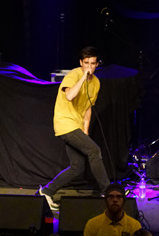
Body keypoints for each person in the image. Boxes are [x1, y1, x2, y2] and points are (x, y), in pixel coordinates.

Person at [37, 46, 112, 211]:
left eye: (92, 64)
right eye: (86, 63)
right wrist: (83, 77)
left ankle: (46, 191)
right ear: (81, 63)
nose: (89, 67)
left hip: (76, 126)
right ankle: (108, 192)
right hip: (65, 123)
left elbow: (88, 107)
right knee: (94, 151)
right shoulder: (73, 75)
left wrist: (85, 130)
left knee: (77, 166)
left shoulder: (96, 83)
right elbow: (70, 95)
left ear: (97, 64)